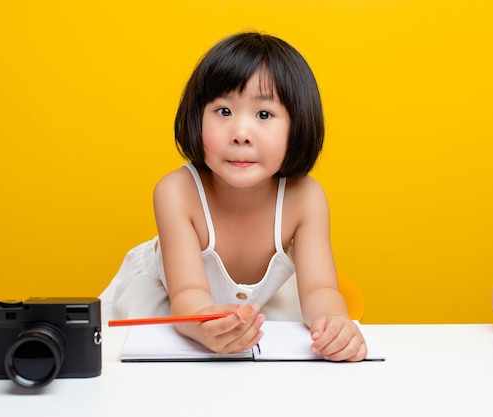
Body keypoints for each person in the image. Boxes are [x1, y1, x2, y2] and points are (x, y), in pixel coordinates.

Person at [101, 31, 367, 362]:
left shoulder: (305, 198)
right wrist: (202, 324)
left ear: (297, 126)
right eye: (224, 112)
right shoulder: (176, 192)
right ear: (198, 118)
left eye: (264, 115)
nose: (240, 134)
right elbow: (187, 293)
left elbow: (319, 290)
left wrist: (335, 323)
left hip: (249, 304)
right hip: (169, 299)